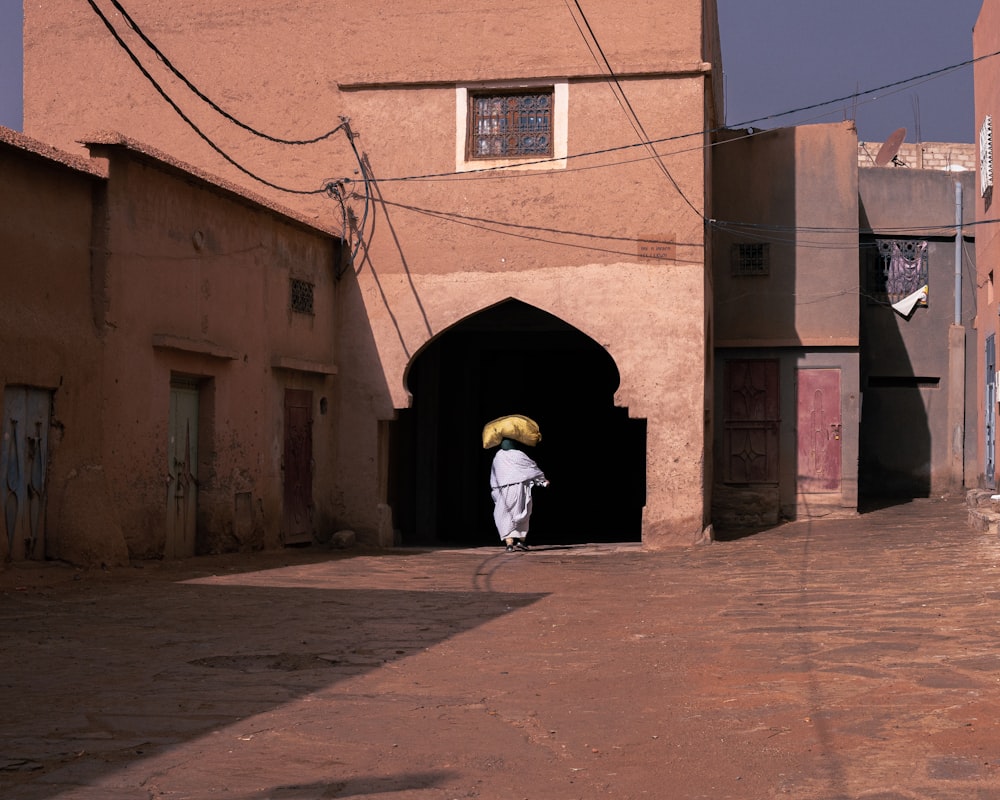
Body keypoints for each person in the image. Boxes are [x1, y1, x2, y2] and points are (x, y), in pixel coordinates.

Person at [490, 437, 549, 552]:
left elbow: (495, 475)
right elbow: (531, 469)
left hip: (504, 491)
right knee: (522, 514)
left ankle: (510, 544)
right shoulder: (519, 455)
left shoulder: (498, 456)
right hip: (518, 490)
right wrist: (542, 481)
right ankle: (520, 542)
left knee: (505, 515)